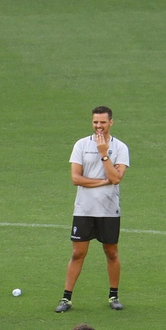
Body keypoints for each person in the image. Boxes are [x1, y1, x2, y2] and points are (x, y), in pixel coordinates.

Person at [57, 107, 129, 314]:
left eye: (102, 123)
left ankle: (113, 295)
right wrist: (103, 181)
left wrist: (104, 155)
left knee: (111, 252)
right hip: (84, 209)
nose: (98, 126)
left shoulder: (121, 148)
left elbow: (116, 178)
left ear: (111, 123)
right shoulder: (81, 145)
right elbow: (75, 179)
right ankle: (66, 298)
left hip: (109, 210)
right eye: (95, 122)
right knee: (78, 253)